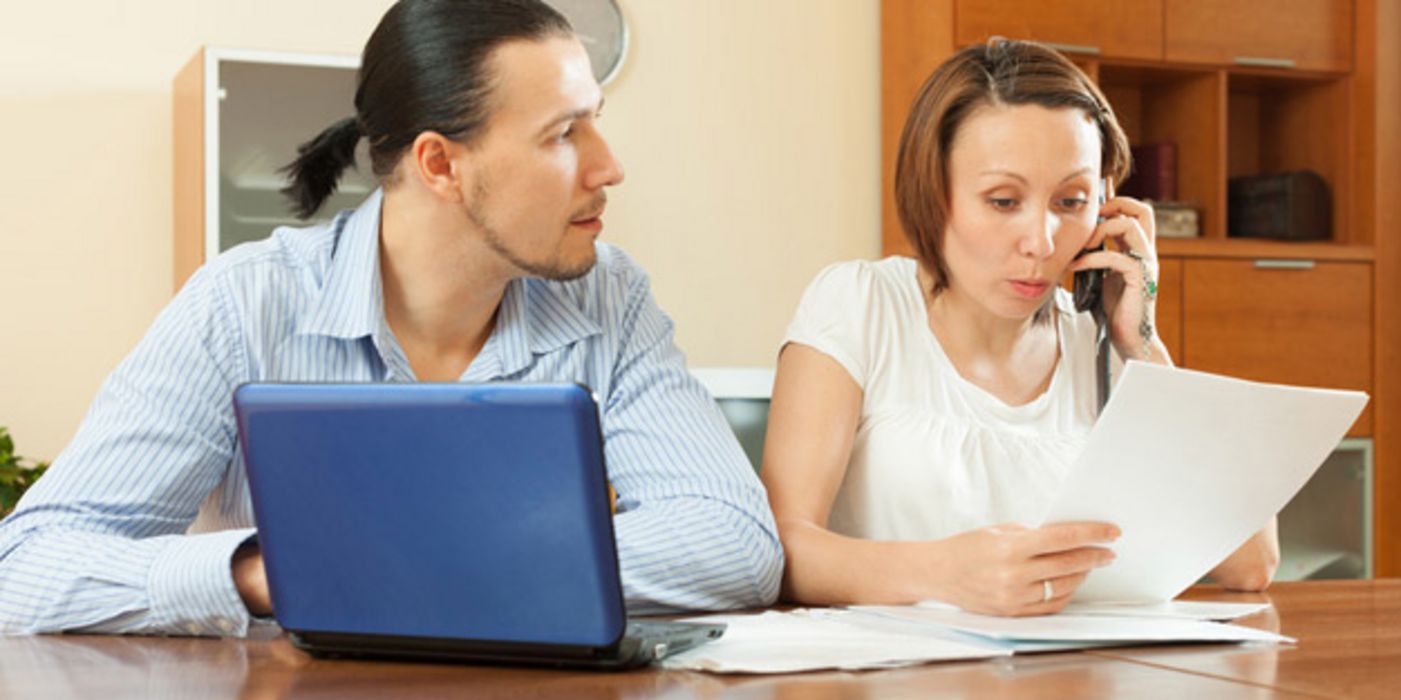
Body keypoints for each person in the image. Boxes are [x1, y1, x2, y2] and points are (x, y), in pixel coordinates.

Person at [0, 0, 781, 637]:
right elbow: (28, 568)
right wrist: (261, 575)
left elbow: (733, 543)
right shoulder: (243, 303)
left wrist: (394, 562)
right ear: (440, 164)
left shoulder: (609, 295)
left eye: (594, 121)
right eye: (563, 134)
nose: (608, 165)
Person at [761, 39, 1278, 617]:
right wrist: (946, 574)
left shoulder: (1103, 343)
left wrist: (1144, 345)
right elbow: (779, 548)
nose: (1042, 241)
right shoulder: (859, 304)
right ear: (935, 192)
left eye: (1072, 200)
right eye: (1004, 201)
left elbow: (1251, 563)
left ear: (1107, 205)